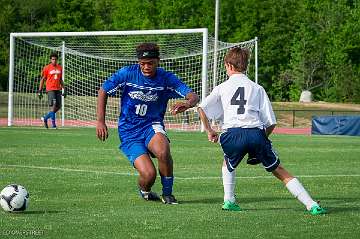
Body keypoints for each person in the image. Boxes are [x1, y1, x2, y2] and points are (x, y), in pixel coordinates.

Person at [197, 47, 326, 215]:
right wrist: (259, 141)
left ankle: (229, 200)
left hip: (231, 134)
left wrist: (209, 130)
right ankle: (311, 205)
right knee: (279, 170)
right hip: (255, 133)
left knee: (227, 163)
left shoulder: (222, 87)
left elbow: (201, 108)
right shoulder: (257, 88)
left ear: (228, 65)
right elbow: (271, 123)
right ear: (245, 66)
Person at [96, 43, 199, 204]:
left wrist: (187, 103)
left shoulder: (165, 78)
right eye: (142, 63)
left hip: (151, 125)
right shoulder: (127, 74)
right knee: (149, 174)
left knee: (163, 151)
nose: (146, 67)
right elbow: (103, 90)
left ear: (158, 61)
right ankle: (145, 191)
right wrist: (100, 121)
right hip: (129, 131)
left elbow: (192, 95)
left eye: (150, 63)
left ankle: (168, 194)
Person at [38, 52, 65, 128]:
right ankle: (53, 125)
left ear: (57, 60)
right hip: (50, 89)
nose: (54, 61)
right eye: (53, 59)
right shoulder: (46, 68)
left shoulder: (60, 67)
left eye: (55, 59)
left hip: (58, 89)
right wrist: (40, 91)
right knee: (53, 105)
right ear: (50, 60)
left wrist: (64, 89)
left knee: (58, 106)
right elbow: (42, 79)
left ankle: (45, 118)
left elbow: (60, 80)